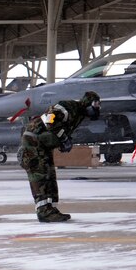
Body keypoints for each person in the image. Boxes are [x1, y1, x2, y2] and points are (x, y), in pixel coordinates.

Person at [18, 91, 101, 222]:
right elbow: (48, 119)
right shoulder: (68, 106)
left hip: (42, 146)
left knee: (50, 176)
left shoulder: (78, 114)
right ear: (88, 103)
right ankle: (44, 212)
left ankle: (50, 209)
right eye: (96, 104)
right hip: (33, 143)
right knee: (41, 176)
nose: (97, 108)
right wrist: (63, 138)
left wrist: (62, 140)